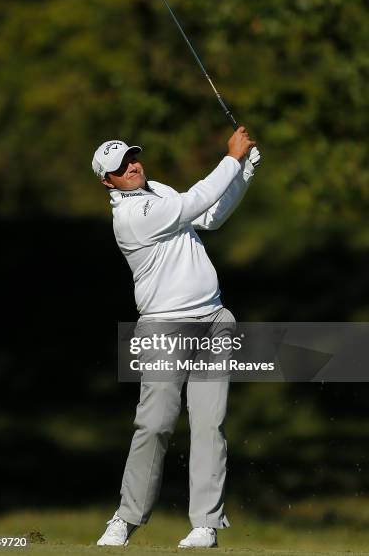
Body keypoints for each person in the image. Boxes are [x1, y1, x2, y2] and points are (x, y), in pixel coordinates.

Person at [92, 128, 260, 548]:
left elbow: (210, 216)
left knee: (209, 425)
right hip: (164, 326)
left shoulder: (158, 190)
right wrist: (232, 159)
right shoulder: (131, 216)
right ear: (106, 181)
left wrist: (244, 174)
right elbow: (196, 201)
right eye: (119, 167)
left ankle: (205, 523)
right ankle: (126, 518)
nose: (131, 167)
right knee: (155, 424)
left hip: (214, 319)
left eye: (132, 158)